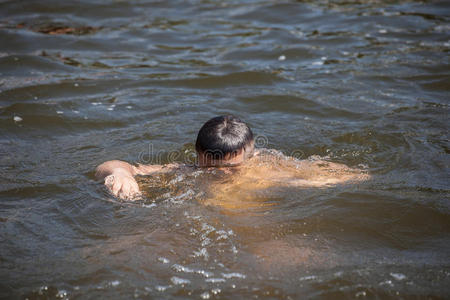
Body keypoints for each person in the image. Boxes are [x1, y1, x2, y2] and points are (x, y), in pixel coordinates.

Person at [95, 115, 369, 200]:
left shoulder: (270, 167)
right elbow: (113, 165)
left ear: (252, 154)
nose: (219, 174)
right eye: (210, 168)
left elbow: (355, 176)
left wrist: (310, 181)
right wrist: (119, 174)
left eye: (231, 169)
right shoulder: (187, 170)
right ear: (198, 156)